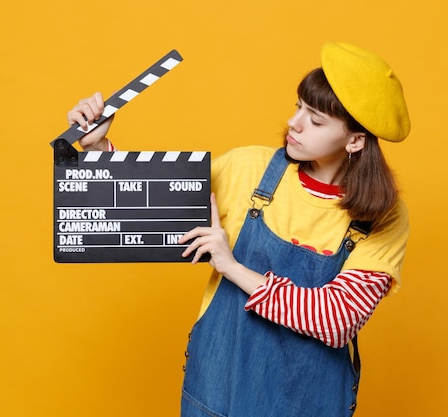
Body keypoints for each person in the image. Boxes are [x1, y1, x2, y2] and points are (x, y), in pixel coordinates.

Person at [67, 42, 410, 417]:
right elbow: (144, 211)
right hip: (217, 395)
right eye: (298, 107)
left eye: (315, 119)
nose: (294, 124)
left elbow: (335, 319)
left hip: (309, 406)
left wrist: (231, 267)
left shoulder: (383, 216)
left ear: (355, 140)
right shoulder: (247, 167)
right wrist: (97, 145)